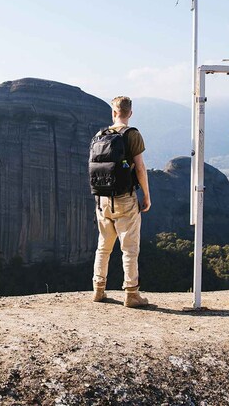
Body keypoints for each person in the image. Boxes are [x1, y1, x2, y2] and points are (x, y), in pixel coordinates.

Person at [92, 96, 152, 307]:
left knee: (103, 247)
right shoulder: (132, 134)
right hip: (125, 198)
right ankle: (131, 294)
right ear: (130, 113)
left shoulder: (100, 135)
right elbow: (141, 168)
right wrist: (146, 195)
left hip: (102, 199)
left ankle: (98, 290)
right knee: (129, 248)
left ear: (113, 112)